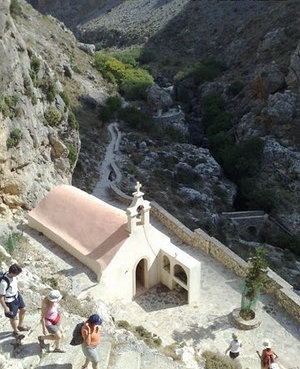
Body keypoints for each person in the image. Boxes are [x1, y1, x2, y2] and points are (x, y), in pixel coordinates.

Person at [0, 264, 29, 336]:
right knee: (12, 317)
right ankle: (16, 330)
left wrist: (18, 289)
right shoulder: (3, 283)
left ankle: (20, 326)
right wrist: (5, 308)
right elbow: (1, 297)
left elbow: (14, 284)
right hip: (10, 301)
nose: (18, 275)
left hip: (17, 296)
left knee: (23, 309)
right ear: (13, 273)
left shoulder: (12, 276)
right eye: (17, 274)